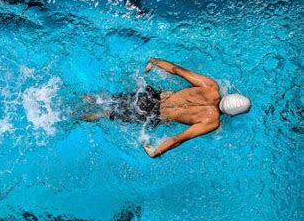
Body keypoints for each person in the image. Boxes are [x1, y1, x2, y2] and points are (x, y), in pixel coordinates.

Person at [82, 58, 251, 158]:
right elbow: (179, 139)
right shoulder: (212, 121)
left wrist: (155, 61)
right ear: (232, 114)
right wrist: (157, 151)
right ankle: (76, 117)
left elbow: (178, 70)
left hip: (150, 96)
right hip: (152, 115)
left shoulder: (211, 87)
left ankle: (83, 97)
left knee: (107, 99)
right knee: (106, 114)